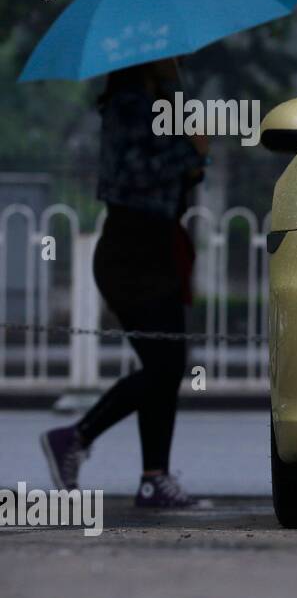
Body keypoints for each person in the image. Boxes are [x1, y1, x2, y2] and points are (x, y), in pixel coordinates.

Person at [40, 58, 207, 507]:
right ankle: (75, 436)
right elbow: (136, 173)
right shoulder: (128, 106)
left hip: (159, 247)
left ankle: (154, 477)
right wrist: (190, 151)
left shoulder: (162, 103)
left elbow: (180, 175)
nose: (177, 62)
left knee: (166, 364)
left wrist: (192, 154)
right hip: (132, 251)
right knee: (166, 365)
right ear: (147, 59)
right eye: (168, 54)